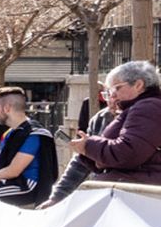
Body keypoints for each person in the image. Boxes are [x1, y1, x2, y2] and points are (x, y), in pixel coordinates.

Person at [44, 61, 161, 204]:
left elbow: (128, 153)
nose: (112, 96)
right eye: (109, 92)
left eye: (116, 88)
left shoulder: (148, 107)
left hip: (139, 197)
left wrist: (88, 146)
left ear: (138, 85)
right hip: (131, 193)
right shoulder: (129, 111)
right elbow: (81, 164)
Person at [0, 85, 55, 206]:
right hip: (9, 182)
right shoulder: (8, 133)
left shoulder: (34, 134)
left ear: (7, 108)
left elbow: (13, 170)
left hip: (26, 186)